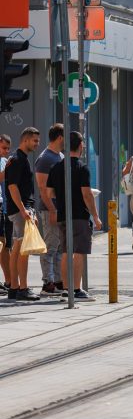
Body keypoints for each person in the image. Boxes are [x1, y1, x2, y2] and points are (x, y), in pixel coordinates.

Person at [46, 131, 102, 301]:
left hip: (63, 214)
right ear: (80, 145)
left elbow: (49, 193)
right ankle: (76, 290)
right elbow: (86, 195)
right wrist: (96, 216)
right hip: (79, 216)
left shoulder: (55, 167)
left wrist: (64, 196)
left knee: (65, 251)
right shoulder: (81, 167)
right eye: (83, 143)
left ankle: (66, 289)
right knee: (78, 251)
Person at [5, 127, 41, 302]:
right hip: (20, 211)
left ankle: (14, 288)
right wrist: (24, 209)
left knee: (17, 249)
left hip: (19, 210)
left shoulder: (17, 159)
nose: (37, 144)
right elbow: (12, 187)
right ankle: (23, 288)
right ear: (25, 140)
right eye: (34, 140)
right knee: (22, 250)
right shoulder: (18, 159)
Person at [34, 123, 64, 295]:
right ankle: (47, 284)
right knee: (50, 247)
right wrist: (52, 210)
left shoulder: (58, 155)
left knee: (59, 247)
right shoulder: (45, 158)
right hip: (49, 209)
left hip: (58, 208)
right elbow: (42, 188)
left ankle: (59, 280)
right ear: (60, 137)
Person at [0, 133, 12, 294]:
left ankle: (9, 280)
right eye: (4, 148)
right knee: (2, 243)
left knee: (4, 244)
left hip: (3, 206)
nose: (6, 151)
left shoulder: (3, 160)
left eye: (8, 148)